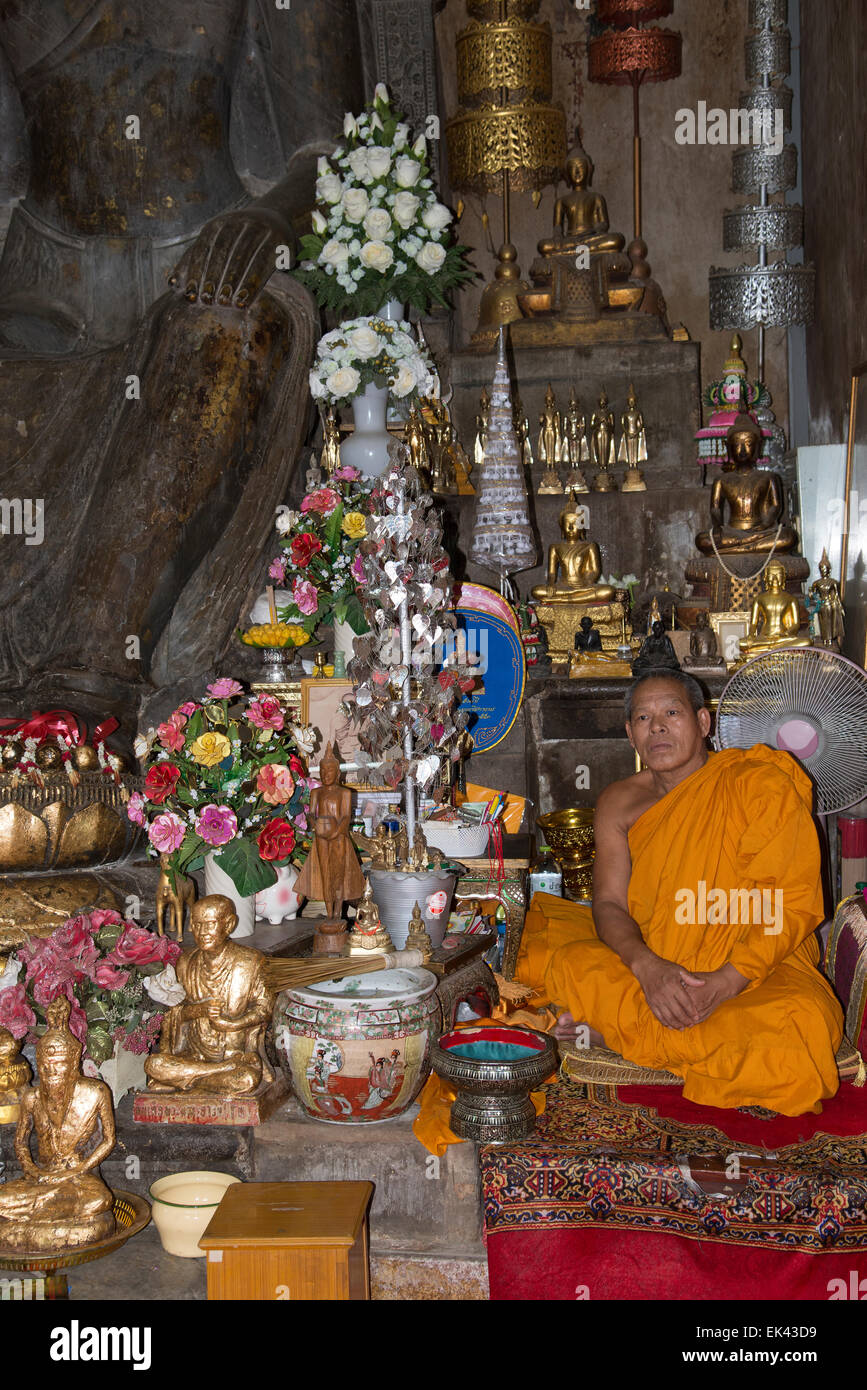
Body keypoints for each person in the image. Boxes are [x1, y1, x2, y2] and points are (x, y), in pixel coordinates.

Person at [517, 670, 843, 1115]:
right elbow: (609, 903)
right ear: (631, 733)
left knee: (793, 1026)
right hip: (657, 958)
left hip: (756, 966)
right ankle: (666, 1035)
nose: (658, 727)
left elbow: (792, 903)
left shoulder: (759, 783)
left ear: (703, 723)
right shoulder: (618, 801)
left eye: (672, 712)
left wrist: (727, 981)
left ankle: (622, 1033)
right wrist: (648, 967)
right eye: (644, 718)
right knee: (569, 963)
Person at [145, 894, 274, 1095]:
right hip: (192, 1055)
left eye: (210, 924)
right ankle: (218, 1070)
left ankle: (182, 1080)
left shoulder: (250, 962)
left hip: (236, 1053)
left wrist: (231, 1024)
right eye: (197, 925)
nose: (202, 932)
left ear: (229, 924)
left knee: (246, 1079)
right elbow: (174, 1013)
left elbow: (265, 1009)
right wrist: (199, 1010)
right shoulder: (186, 962)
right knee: (154, 1064)